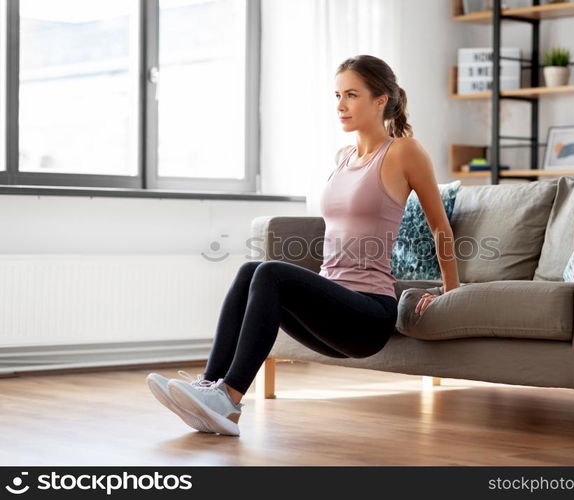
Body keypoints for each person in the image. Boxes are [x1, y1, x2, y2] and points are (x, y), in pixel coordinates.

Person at [146, 54, 461, 437]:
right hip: (332, 307)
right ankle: (210, 388)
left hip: (368, 315)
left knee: (271, 272)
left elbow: (439, 226)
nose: (340, 105)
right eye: (337, 95)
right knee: (250, 270)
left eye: (351, 95)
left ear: (381, 100)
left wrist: (451, 290)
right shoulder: (343, 157)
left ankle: (229, 398)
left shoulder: (403, 152)